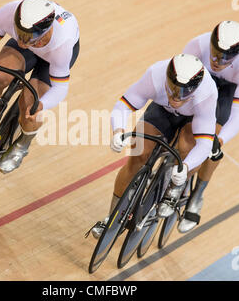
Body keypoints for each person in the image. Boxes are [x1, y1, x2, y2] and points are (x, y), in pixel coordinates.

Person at [91, 53, 218, 239]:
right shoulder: (155, 74)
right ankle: (112, 217)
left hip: (193, 119)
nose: (176, 97)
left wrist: (187, 168)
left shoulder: (207, 93)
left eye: (183, 93)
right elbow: (124, 105)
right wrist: (118, 131)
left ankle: (174, 190)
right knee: (137, 155)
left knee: (185, 148)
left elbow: (205, 143)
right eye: (173, 89)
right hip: (162, 110)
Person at [0, 0, 80, 173]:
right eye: (20, 34)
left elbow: (60, 87)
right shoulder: (9, 12)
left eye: (29, 38)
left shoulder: (62, 44)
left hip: (51, 59)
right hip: (37, 45)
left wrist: (42, 104)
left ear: (46, 31)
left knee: (30, 106)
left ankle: (22, 146)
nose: (22, 42)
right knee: (0, 78)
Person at [177, 20, 239, 233]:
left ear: (236, 56)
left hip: (226, 90)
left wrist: (218, 141)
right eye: (215, 53)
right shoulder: (197, 45)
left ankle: (196, 194)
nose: (216, 60)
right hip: (200, 79)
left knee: (212, 140)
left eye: (224, 58)